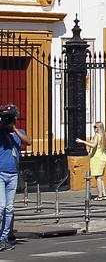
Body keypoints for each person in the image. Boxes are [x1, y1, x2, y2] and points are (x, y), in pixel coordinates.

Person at [0, 105, 30, 253]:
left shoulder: (19, 133)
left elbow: (28, 141)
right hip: (0, 173)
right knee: (1, 206)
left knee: (9, 208)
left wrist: (14, 129)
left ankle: (4, 238)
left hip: (13, 174)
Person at [75, 121, 106, 200]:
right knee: (100, 177)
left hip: (96, 157)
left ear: (98, 128)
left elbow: (93, 145)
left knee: (97, 177)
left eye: (95, 127)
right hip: (103, 156)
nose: (94, 129)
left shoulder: (97, 135)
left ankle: (100, 195)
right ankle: (103, 194)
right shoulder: (105, 136)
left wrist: (82, 141)